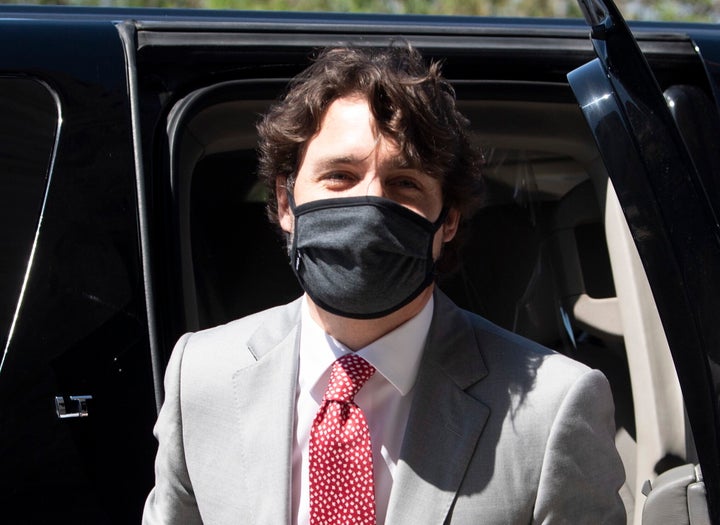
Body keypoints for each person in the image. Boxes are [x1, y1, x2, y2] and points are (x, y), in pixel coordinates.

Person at [142, 45, 626, 524]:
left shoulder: (556, 406)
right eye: (340, 176)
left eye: (405, 184)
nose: (371, 207)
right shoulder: (200, 375)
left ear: (449, 221)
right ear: (286, 203)